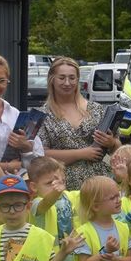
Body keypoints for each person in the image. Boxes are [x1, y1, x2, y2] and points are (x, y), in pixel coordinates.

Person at [38, 56, 120, 190]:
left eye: (72, 78)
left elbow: (119, 148)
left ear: (78, 80)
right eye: (61, 77)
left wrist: (111, 143)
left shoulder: (96, 109)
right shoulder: (43, 115)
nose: (67, 83)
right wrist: (81, 154)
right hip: (62, 185)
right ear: (52, 80)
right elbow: (41, 154)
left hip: (99, 184)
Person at [0, 48, 43, 186]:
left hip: (17, 187)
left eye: (2, 81)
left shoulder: (16, 115)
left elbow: (39, 159)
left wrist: (26, 148)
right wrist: (7, 167)